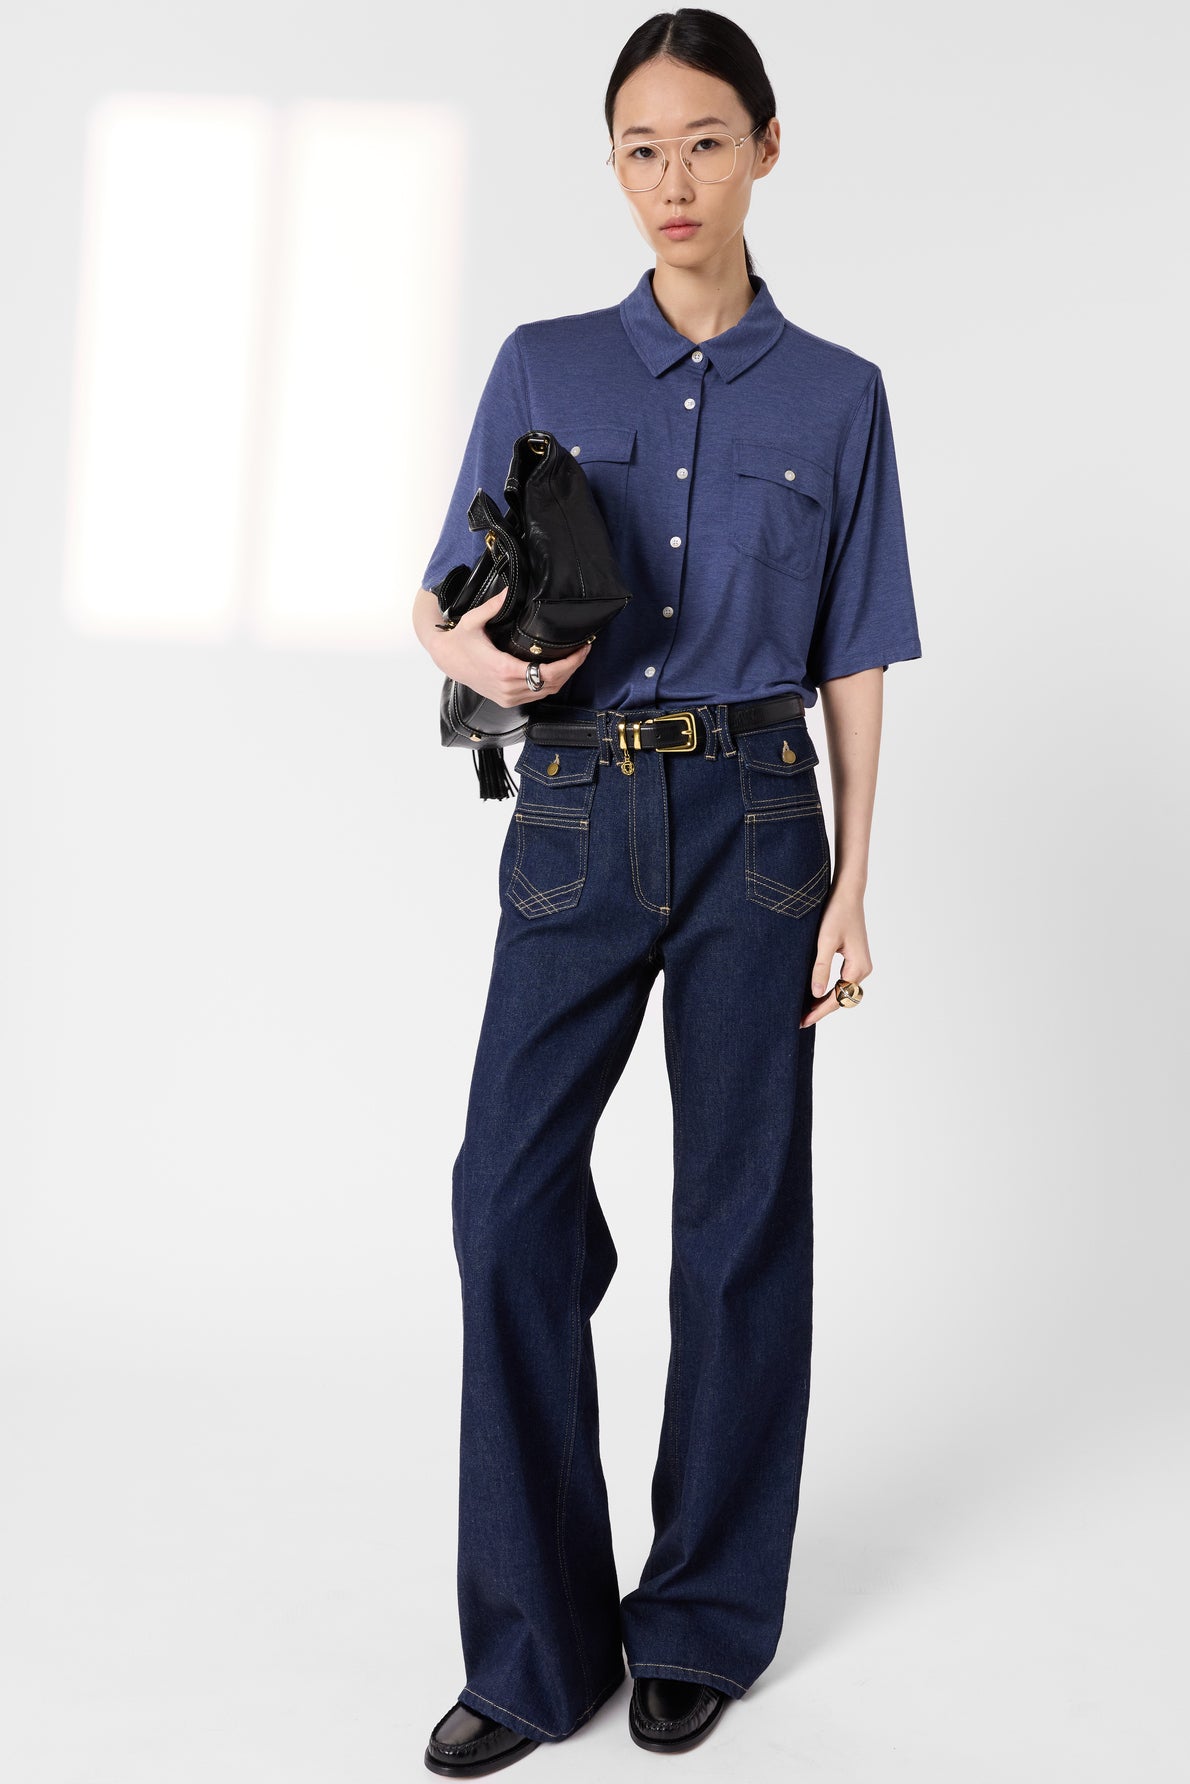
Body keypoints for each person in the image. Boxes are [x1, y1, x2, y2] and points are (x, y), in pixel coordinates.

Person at [412, 10, 922, 1773]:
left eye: (704, 140)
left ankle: (699, 1618)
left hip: (760, 826)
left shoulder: (837, 394)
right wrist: (479, 653)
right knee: (505, 1201)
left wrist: (855, 881)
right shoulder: (544, 363)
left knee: (740, 1220)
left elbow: (855, 651)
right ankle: (533, 1647)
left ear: (765, 149)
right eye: (640, 147)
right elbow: (439, 597)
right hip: (572, 813)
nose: (672, 179)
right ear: (612, 165)